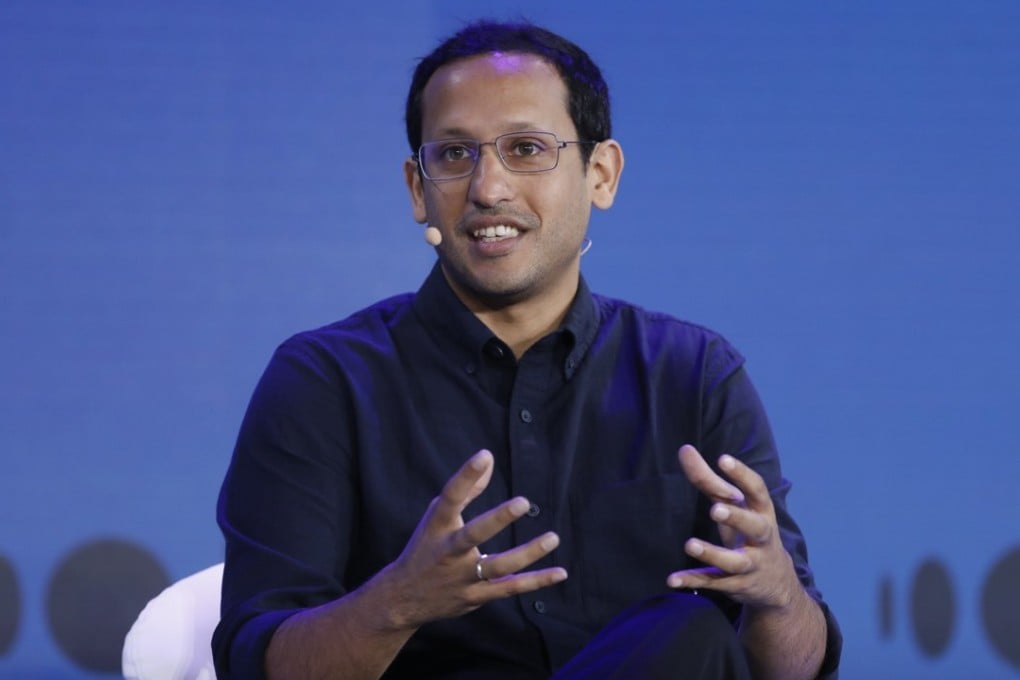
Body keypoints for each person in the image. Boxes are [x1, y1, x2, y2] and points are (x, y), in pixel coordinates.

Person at [213, 19, 842, 679]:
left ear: (601, 174)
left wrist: (775, 597)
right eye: (455, 154)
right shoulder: (325, 382)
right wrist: (396, 603)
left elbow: (795, 666)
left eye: (526, 148)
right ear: (416, 188)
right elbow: (257, 664)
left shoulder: (693, 376)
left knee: (687, 635)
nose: (488, 188)